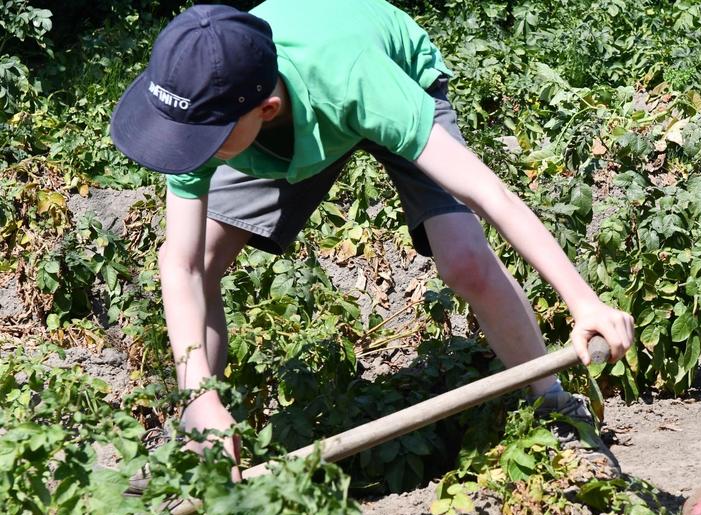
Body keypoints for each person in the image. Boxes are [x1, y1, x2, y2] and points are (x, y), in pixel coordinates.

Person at [109, 1, 634, 480]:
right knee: (204, 256)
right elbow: (180, 266)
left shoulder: (358, 80)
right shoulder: (201, 108)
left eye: (202, 140)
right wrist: (197, 393)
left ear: (265, 110)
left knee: (465, 262)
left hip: (382, 76)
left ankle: (556, 404)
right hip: (289, 111)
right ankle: (200, 437)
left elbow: (483, 189)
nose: (188, 151)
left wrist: (583, 300)